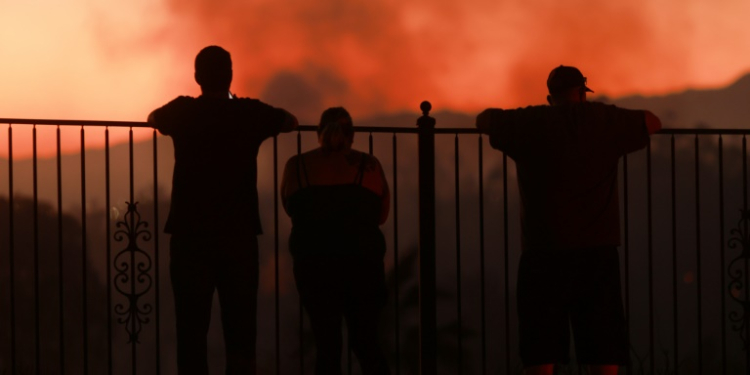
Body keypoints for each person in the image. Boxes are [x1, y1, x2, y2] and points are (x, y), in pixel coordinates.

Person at [476, 66, 662, 375]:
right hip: (596, 252)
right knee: (602, 349)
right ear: (581, 93)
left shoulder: (531, 122)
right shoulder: (602, 121)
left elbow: (484, 120)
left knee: (540, 350)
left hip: (543, 250)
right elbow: (652, 122)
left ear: (551, 98)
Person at [148, 45, 298, 375]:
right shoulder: (249, 113)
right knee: (241, 329)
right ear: (230, 75)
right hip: (238, 235)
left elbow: (154, 119)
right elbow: (290, 121)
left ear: (197, 77)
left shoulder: (183, 111)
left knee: (191, 330)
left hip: (190, 235)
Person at [281, 107, 391, 375]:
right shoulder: (370, 166)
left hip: (313, 266)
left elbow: (289, 206)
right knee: (366, 343)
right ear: (352, 135)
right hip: (363, 265)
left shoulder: (296, 166)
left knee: (327, 346)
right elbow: (382, 215)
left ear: (318, 133)